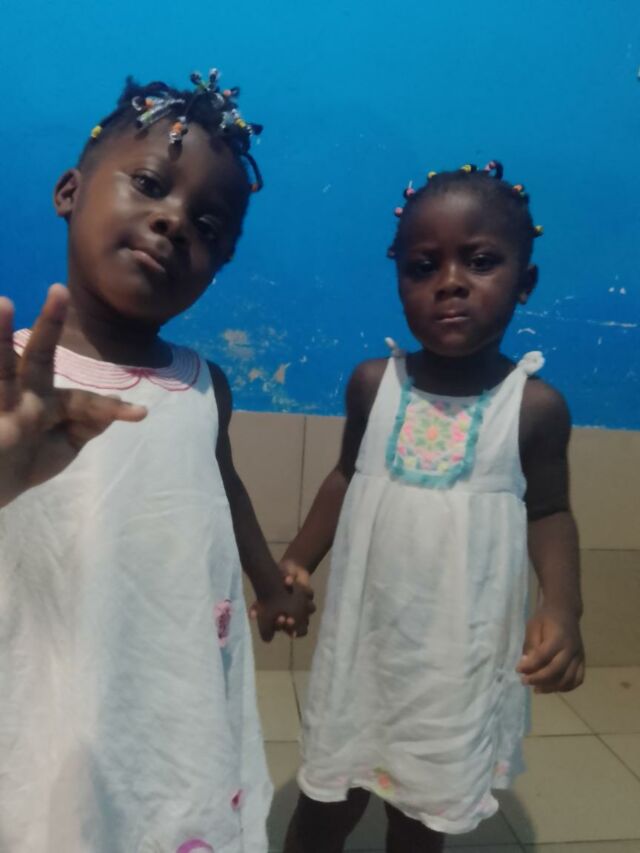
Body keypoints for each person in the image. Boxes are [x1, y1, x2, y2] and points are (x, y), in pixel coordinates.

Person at [0, 69, 314, 853]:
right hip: (45, 669)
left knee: (162, 811)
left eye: (208, 225)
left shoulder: (203, 386)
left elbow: (223, 487)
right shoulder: (12, 381)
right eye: (148, 184)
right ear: (70, 191)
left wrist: (269, 579)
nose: (174, 221)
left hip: (170, 680)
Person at [281, 162, 585, 853]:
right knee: (327, 803)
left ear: (525, 282)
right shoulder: (373, 384)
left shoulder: (534, 408)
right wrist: (295, 562)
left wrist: (564, 606)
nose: (450, 282)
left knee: (420, 818)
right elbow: (344, 477)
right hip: (365, 648)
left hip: (457, 660)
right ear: (399, 282)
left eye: (480, 261)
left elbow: (550, 512)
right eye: (423, 266)